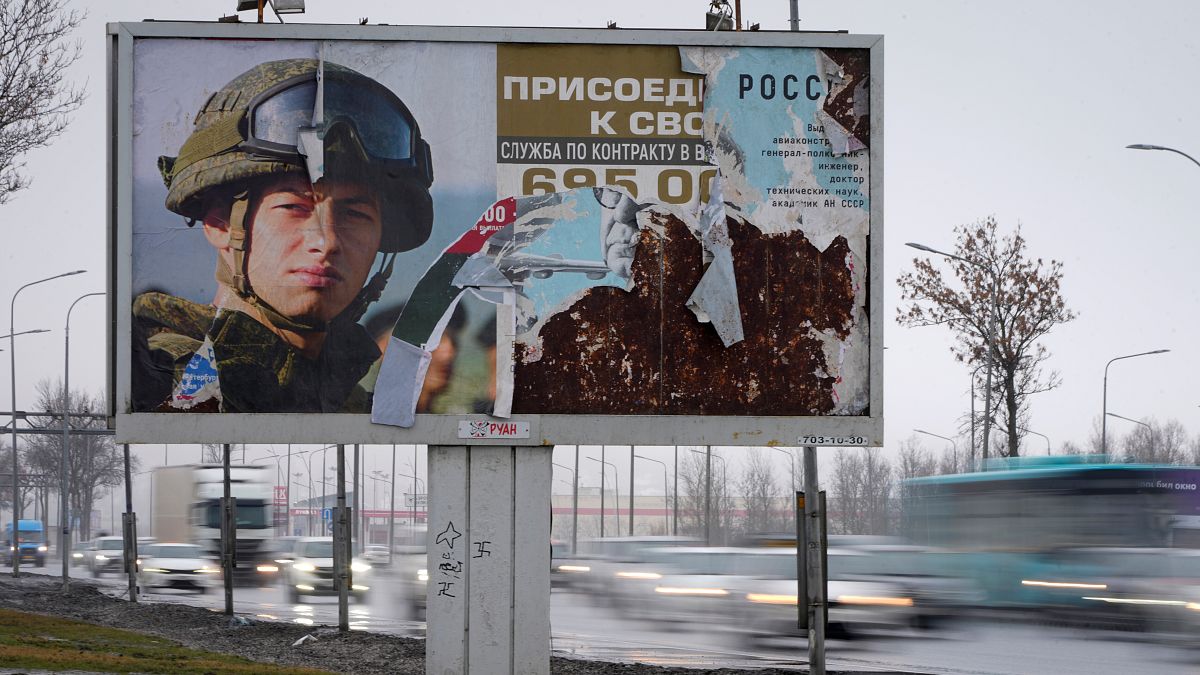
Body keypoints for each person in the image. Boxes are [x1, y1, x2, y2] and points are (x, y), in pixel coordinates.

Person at [132, 58, 434, 413]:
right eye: (293, 208)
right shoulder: (153, 381)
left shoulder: (355, 408)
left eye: (354, 215)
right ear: (220, 224)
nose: (327, 243)